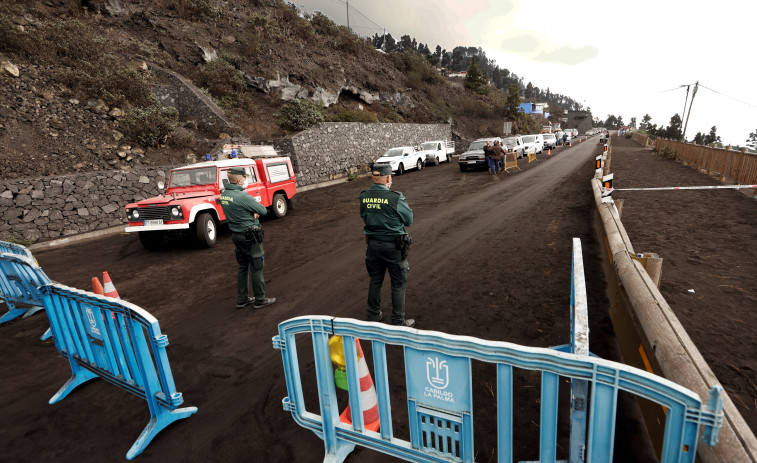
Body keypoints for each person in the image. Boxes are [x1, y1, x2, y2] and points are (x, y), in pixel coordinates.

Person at [359, 164, 415, 327]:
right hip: (393, 247)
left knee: (375, 280)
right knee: (398, 283)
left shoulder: (363, 196)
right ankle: (398, 320)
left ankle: (373, 315)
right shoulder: (395, 197)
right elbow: (409, 220)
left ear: (373, 178)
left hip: (373, 246)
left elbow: (364, 216)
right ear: (388, 178)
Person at [217, 167, 276, 310]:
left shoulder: (224, 195)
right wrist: (253, 214)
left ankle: (242, 299)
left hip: (236, 235)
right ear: (239, 180)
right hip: (250, 235)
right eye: (244, 178)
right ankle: (260, 299)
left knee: (243, 267)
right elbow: (262, 210)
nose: (245, 180)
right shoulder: (242, 196)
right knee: (256, 267)